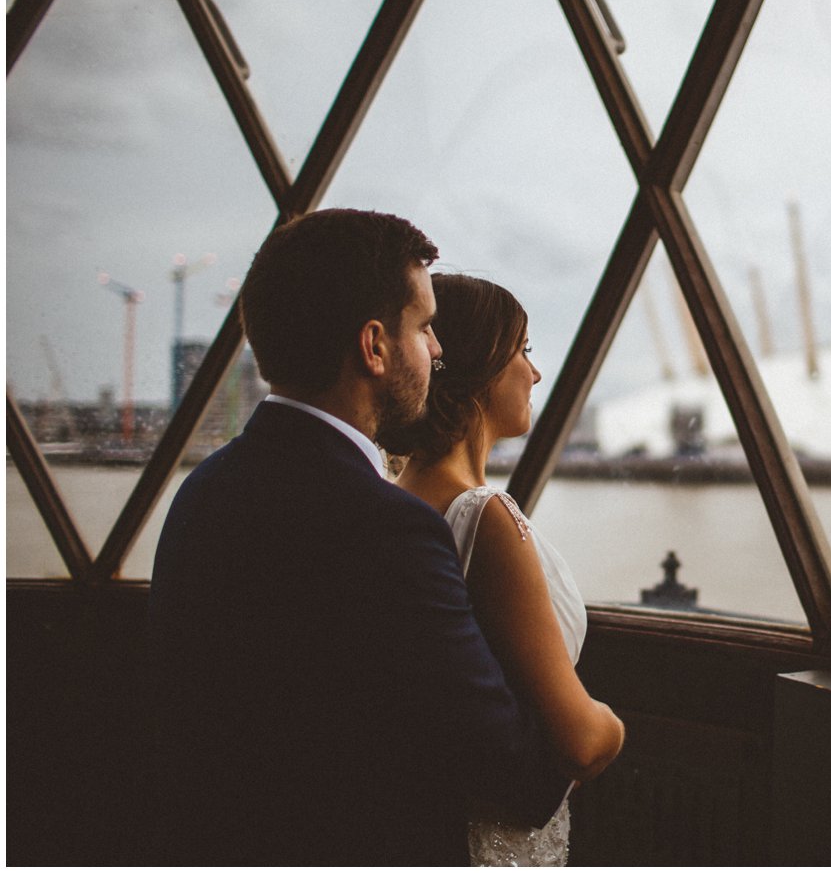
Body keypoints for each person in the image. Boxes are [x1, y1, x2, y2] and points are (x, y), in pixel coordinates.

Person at [149, 210, 572, 865]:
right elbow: (514, 773)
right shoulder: (385, 529)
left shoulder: (203, 490)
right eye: (425, 326)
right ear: (374, 346)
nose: (437, 350)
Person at [384, 274, 625, 866]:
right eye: (524, 351)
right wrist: (615, 727)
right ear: (482, 366)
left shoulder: (395, 500)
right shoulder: (486, 517)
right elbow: (580, 740)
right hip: (495, 833)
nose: (535, 374)